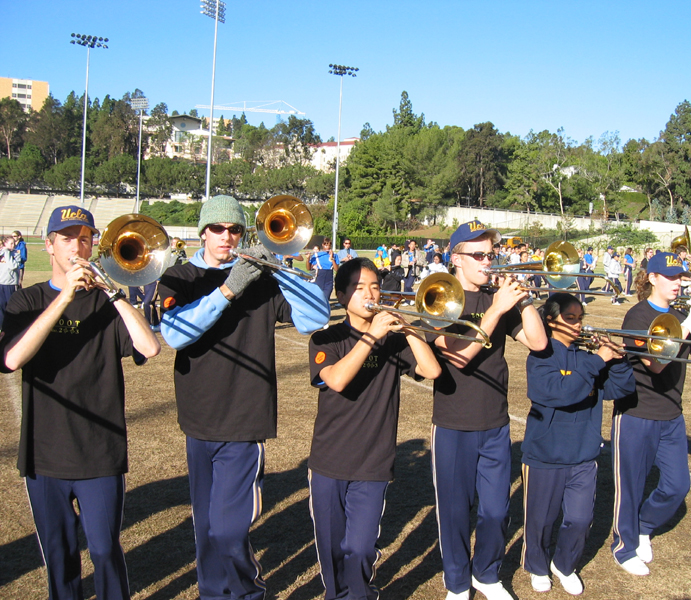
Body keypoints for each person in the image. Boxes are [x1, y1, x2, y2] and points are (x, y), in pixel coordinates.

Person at [158, 195, 330, 600]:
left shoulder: (263, 278)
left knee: (228, 529)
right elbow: (175, 334)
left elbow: (316, 319)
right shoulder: (180, 276)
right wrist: (228, 289)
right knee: (206, 527)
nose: (227, 236)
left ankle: (248, 593)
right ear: (203, 231)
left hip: (245, 420)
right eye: (218, 228)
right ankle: (212, 593)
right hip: (197, 419)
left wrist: (276, 263)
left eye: (235, 229)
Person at [1, 205, 160, 600]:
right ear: (49, 244)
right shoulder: (27, 302)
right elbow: (12, 359)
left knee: (105, 551)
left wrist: (113, 292)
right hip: (45, 456)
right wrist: (65, 296)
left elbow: (149, 347)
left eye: (85, 239)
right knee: (60, 556)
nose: (77, 246)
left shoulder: (108, 304)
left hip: (100, 455)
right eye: (68, 237)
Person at [307, 258, 440, 599]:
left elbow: (431, 370)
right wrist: (372, 336)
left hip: (373, 462)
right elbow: (336, 380)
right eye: (359, 287)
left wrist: (409, 329)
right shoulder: (326, 337)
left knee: (362, 548)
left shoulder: (394, 340)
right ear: (340, 295)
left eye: (375, 286)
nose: (369, 293)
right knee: (332, 550)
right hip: (328, 462)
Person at [429, 220, 548, 600]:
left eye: (491, 254)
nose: (487, 261)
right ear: (456, 259)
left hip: (495, 422)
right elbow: (459, 357)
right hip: (453, 422)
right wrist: (496, 310)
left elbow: (539, 342)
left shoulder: (501, 298)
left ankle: (486, 573)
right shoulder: (438, 297)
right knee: (455, 513)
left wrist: (524, 300)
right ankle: (457, 583)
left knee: (496, 511)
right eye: (478, 255)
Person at [611, 252, 691, 576]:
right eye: (672, 277)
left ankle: (645, 526)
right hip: (637, 413)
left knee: (677, 485)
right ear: (653, 278)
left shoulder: (680, 315)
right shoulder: (637, 316)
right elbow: (656, 363)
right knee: (630, 487)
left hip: (672, 415)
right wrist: (687, 325)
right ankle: (624, 547)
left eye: (681, 277)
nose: (679, 283)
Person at [522, 293, 635, 595]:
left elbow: (620, 389)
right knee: (541, 521)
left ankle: (564, 564)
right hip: (546, 455)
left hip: (584, 454)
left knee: (581, 519)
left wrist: (619, 360)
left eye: (580, 318)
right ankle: (537, 565)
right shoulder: (540, 356)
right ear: (550, 320)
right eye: (570, 318)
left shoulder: (588, 356)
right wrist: (599, 360)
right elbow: (561, 393)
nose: (578, 324)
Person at [307, 237, 339, 302]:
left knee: (326, 299)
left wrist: (332, 258)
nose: (327, 247)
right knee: (318, 299)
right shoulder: (317, 255)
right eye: (326, 245)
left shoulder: (335, 255)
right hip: (320, 279)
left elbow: (337, 269)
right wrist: (308, 259)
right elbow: (308, 268)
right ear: (322, 245)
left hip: (329, 280)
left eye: (329, 245)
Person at [0, 235, 21, 328]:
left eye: (14, 243)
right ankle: (2, 325)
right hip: (1, 283)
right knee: (1, 305)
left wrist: (7, 253)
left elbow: (12, 266)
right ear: (5, 244)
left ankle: (12, 325)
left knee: (11, 305)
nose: (13, 245)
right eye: (11, 243)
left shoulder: (16, 254)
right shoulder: (1, 253)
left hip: (11, 284)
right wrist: (3, 252)